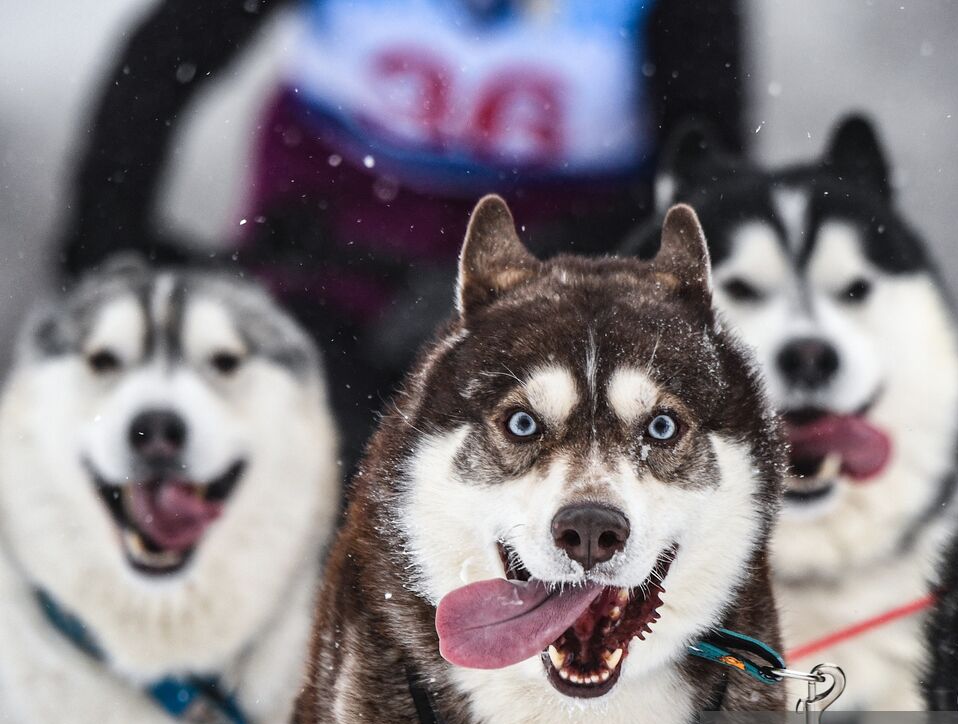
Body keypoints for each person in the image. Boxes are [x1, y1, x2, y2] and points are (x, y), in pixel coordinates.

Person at [59, 0, 746, 460]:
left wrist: (538, 285)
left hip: (554, 250)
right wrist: (110, 249)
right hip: (330, 232)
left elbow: (703, 176)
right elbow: (161, 62)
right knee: (294, 430)